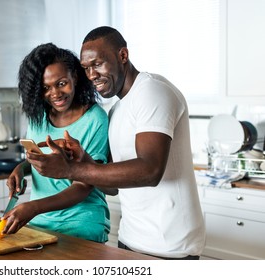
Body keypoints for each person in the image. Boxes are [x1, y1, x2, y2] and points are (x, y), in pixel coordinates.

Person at [26, 26, 206, 259]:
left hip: (170, 244)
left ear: (123, 56)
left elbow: (150, 170)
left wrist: (72, 169)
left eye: (98, 64)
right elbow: (111, 187)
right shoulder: (118, 109)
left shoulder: (152, 91)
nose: (91, 75)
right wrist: (84, 160)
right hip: (131, 238)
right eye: (86, 68)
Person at [2, 43, 110, 243]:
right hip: (38, 223)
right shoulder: (39, 116)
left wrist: (34, 208)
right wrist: (22, 167)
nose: (55, 94)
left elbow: (85, 183)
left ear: (75, 77)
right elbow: (40, 158)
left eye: (61, 83)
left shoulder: (96, 119)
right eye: (45, 88)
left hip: (80, 224)